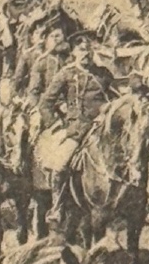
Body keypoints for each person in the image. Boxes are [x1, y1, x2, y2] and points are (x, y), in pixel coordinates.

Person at [38, 35, 115, 226]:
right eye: (81, 49)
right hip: (77, 129)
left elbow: (115, 95)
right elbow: (45, 103)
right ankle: (57, 207)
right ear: (73, 52)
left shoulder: (103, 74)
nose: (86, 53)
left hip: (103, 126)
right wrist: (57, 126)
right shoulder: (65, 74)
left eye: (88, 49)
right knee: (60, 166)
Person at [27, 28, 70, 107]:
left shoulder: (71, 57)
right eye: (52, 36)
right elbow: (34, 90)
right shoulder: (42, 62)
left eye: (57, 36)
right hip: (50, 104)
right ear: (46, 41)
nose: (55, 39)